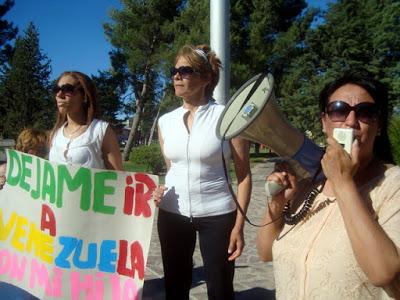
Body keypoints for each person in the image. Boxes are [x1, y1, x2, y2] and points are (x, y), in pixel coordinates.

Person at [256, 70, 400, 299]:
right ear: (324, 122)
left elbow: (384, 273)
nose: (351, 122)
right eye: (339, 110)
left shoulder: (394, 185)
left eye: (366, 112)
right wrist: (277, 204)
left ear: (379, 126)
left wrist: (343, 183)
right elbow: (265, 253)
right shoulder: (308, 182)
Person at [152, 44, 252, 300]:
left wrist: (239, 226)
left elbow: (244, 177)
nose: (176, 76)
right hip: (172, 214)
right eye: (174, 71)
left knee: (220, 289)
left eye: (184, 71)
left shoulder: (229, 118)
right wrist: (160, 189)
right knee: (175, 287)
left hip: (217, 214)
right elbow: (172, 168)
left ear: (206, 78)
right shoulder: (165, 122)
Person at [0, 128, 48, 298]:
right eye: (39, 149)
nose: (42, 154)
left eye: (44, 150)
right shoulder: (6, 170)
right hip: (12, 241)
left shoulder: (47, 175)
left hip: (34, 243)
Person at [49, 71, 123, 170]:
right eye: (56, 89)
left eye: (67, 89)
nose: (59, 94)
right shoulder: (55, 135)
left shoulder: (101, 130)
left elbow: (118, 178)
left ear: (84, 96)